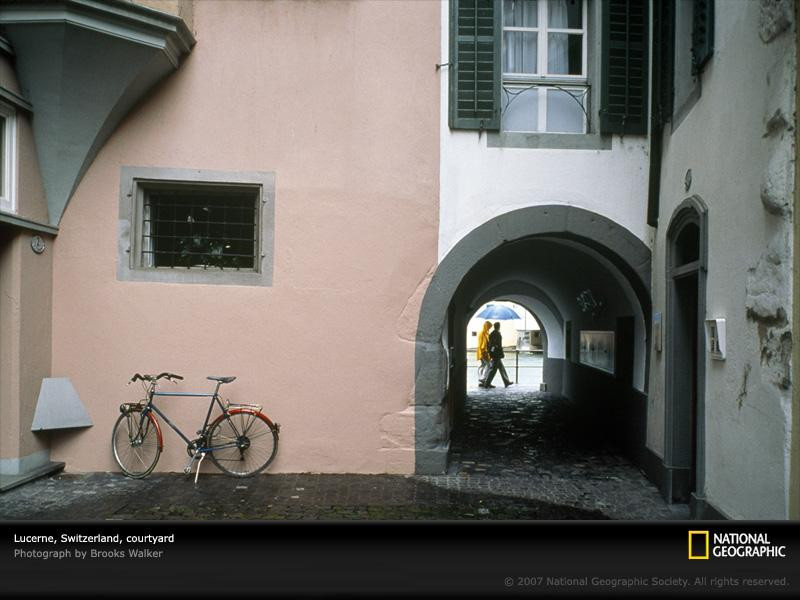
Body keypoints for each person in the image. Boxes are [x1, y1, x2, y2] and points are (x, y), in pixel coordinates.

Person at [484, 321, 513, 388]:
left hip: (495, 354)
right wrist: (493, 353)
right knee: (493, 370)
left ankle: (506, 382)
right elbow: (495, 345)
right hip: (496, 354)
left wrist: (491, 353)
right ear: (498, 327)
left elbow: (492, 345)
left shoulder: (492, 334)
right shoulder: (496, 334)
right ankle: (487, 383)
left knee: (501, 368)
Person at [476, 321, 492, 387]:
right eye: (489, 327)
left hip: (485, 352)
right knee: (488, 365)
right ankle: (482, 378)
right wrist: (483, 352)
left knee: (484, 365)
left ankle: (482, 379)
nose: (489, 328)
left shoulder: (486, 333)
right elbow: (482, 344)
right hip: (483, 352)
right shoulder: (482, 333)